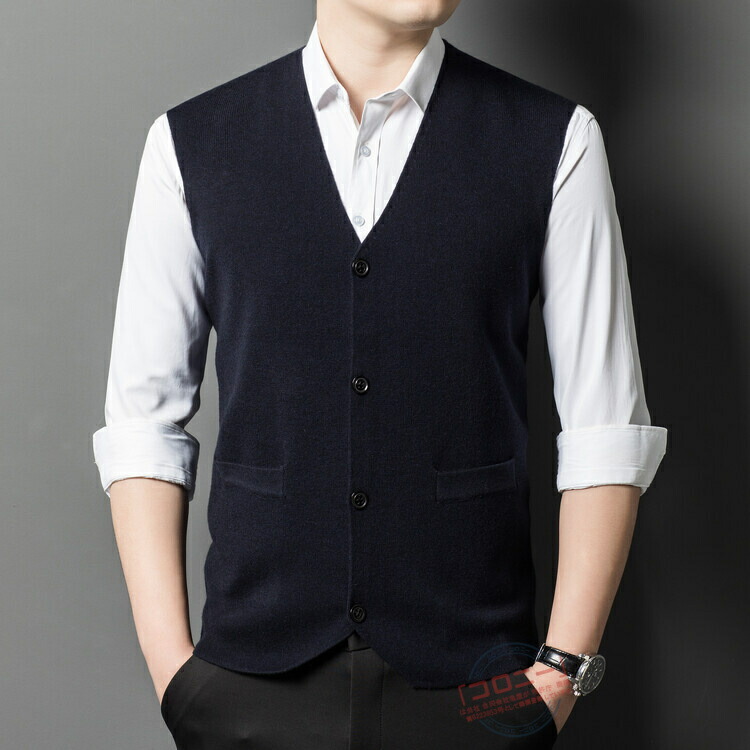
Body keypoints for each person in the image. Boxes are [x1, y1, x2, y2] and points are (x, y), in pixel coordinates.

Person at [92, 1, 668, 747]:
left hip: (477, 688)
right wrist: (176, 674)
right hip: (251, 684)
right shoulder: (193, 142)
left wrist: (558, 676)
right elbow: (143, 426)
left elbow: (605, 431)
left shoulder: (555, 138)